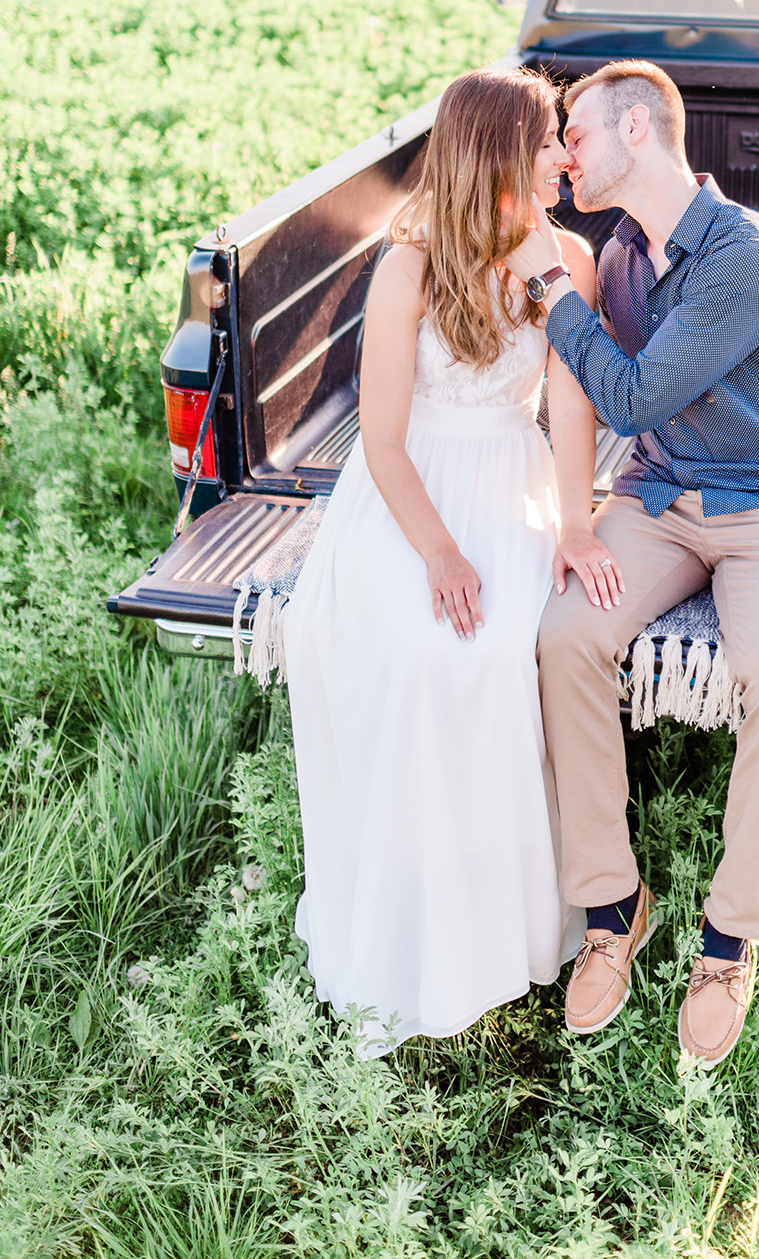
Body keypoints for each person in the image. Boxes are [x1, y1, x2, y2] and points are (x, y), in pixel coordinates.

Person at [507, 59, 759, 1069]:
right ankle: (612, 908)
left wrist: (548, 291)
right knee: (565, 634)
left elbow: (636, 392)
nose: (566, 151)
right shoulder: (618, 250)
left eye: (578, 131)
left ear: (640, 130)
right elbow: (608, 403)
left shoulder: (744, 256)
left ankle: (729, 940)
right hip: (655, 497)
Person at [284, 67, 617, 1053]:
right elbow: (380, 436)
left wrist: (572, 523)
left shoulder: (569, 258)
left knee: (510, 654)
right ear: (497, 159)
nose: (566, 155)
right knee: (416, 654)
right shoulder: (409, 268)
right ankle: (409, 918)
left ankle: (499, 925)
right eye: (550, 139)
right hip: (411, 492)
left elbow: (567, 405)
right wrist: (438, 554)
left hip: (507, 475)